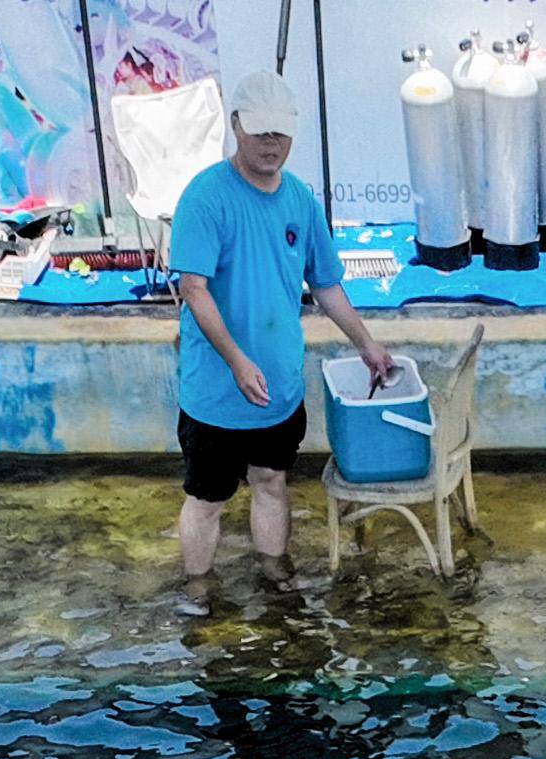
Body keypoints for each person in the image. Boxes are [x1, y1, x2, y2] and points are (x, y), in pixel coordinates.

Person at [169, 72, 399, 589]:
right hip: (216, 390)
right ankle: (198, 590)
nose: (271, 144)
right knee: (207, 497)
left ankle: (275, 573)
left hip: (278, 383)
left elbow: (326, 283)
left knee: (271, 480)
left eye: (280, 133)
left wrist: (366, 344)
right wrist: (235, 360)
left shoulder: (300, 200)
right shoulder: (205, 198)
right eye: (259, 132)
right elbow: (194, 288)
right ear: (235, 128)